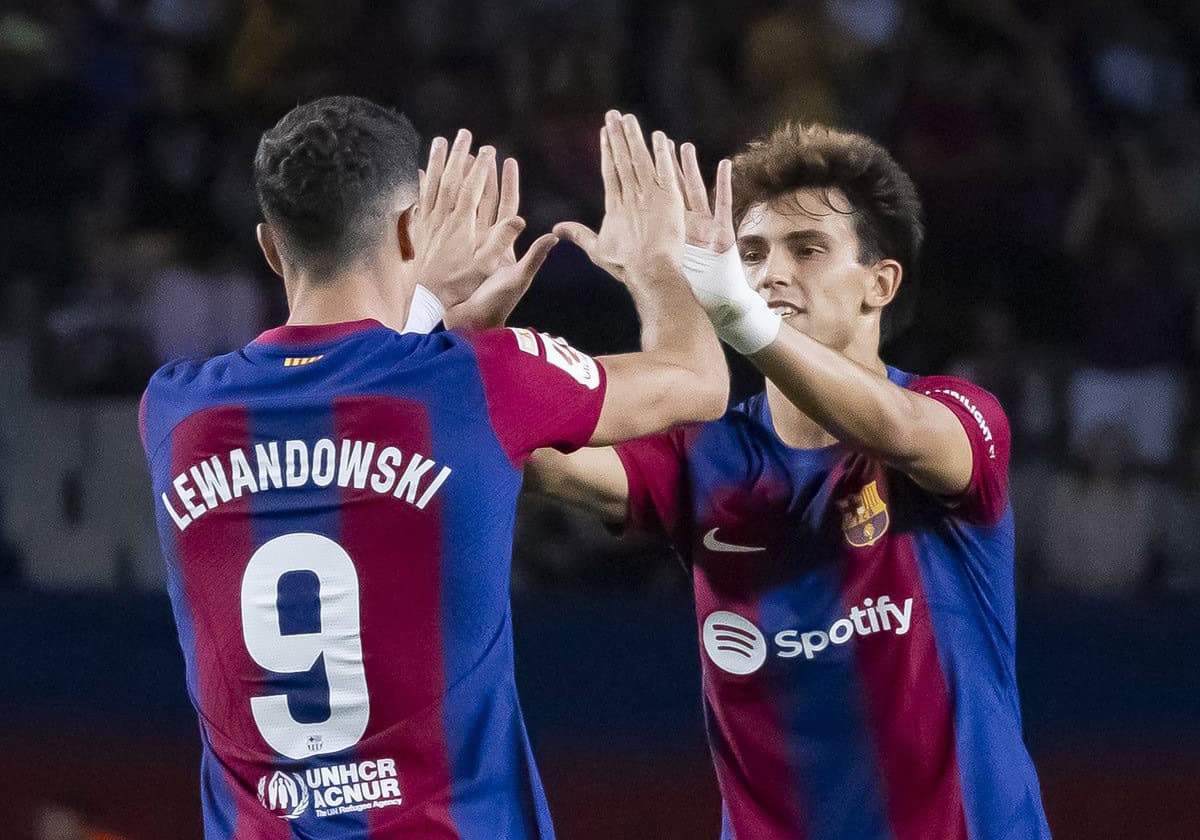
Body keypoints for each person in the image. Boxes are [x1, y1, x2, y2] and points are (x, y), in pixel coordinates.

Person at [138, 97, 727, 838]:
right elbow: (697, 381)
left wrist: (429, 316)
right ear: (409, 229)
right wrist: (660, 266)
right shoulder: (480, 377)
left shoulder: (174, 410)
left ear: (269, 247)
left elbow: (339, 409)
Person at [528, 123, 1052, 839]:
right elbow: (520, 450)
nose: (770, 274)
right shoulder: (702, 456)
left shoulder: (957, 415)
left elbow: (898, 428)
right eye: (750, 254)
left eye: (807, 250)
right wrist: (441, 328)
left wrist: (739, 319)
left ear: (880, 283)